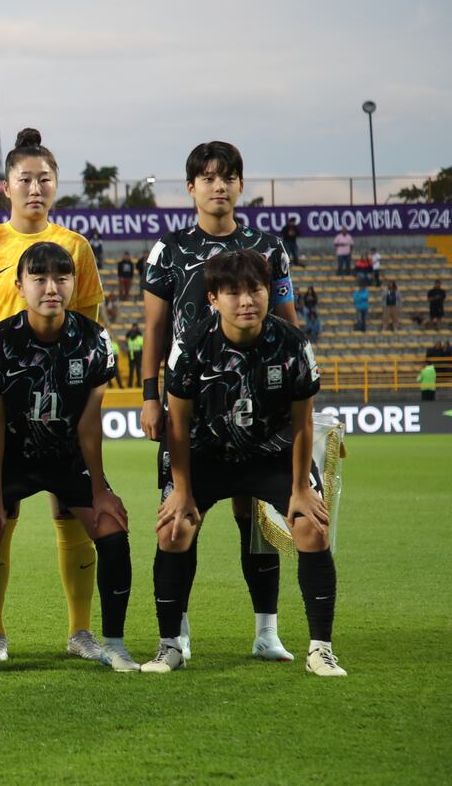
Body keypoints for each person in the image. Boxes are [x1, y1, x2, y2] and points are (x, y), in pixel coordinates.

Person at [0, 128, 106, 664]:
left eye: (45, 179)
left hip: (64, 411)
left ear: (56, 185)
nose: (35, 188)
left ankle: (80, 631)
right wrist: (1, 366)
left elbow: (89, 322)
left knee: (71, 513)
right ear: (5, 186)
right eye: (25, 179)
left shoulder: (75, 248)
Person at [145, 249, 345, 677]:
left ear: (268, 292)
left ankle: (320, 649)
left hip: (271, 453)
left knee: (311, 526)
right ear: (213, 299)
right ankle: (170, 646)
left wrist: (300, 490)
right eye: (232, 292)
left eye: (255, 288)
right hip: (205, 455)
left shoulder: (293, 344)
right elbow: (176, 427)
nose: (246, 300)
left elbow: (303, 422)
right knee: (174, 528)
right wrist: (181, 491)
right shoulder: (192, 346)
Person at [141, 140, 300, 663]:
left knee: (255, 521)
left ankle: (266, 630)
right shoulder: (169, 248)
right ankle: (178, 634)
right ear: (191, 187)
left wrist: (294, 391)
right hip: (193, 405)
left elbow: (289, 326)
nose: (219, 186)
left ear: (239, 185)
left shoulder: (268, 247)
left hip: (259, 407)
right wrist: (150, 398)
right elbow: (156, 329)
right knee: (183, 514)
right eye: (208, 178)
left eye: (228, 177)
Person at [0, 242, 136, 674]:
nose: (51, 287)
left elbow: (91, 425)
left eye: (61, 278)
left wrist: (101, 490)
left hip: (66, 452)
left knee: (112, 529)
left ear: (75, 284)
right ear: (19, 286)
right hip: (8, 453)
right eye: (39, 278)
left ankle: (113, 643)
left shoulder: (94, 340)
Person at [126, 323, 143, 388]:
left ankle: (132, 384)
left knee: (134, 369)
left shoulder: (130, 335)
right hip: (135, 353)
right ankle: (136, 383)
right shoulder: (139, 335)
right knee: (136, 369)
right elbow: (141, 345)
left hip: (132, 354)